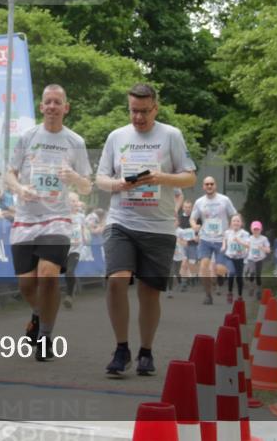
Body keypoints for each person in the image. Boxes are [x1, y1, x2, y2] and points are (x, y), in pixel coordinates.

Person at [95, 83, 197, 377]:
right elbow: (101, 177)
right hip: (121, 221)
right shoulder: (117, 137)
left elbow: (189, 177)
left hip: (159, 225)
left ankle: (146, 351)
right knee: (116, 281)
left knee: (149, 293)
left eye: (143, 111)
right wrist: (117, 184)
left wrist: (160, 177)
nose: (138, 118)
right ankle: (121, 348)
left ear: (156, 108)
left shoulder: (171, 135)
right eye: (133, 111)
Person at [6, 84, 92, 361]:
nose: (53, 106)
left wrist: (74, 179)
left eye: (58, 102)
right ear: (41, 107)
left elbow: (87, 186)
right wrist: (19, 189)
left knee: (48, 274)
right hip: (26, 217)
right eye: (48, 102)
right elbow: (9, 174)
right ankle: (37, 313)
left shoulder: (75, 141)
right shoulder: (28, 137)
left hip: (58, 218)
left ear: (66, 107)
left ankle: (44, 335)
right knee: (26, 285)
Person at [191, 177, 238, 305]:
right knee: (203, 268)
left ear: (215, 185)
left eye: (211, 184)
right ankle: (208, 295)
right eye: (207, 184)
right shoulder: (199, 202)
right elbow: (192, 218)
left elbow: (234, 214)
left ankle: (217, 279)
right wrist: (194, 226)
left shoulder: (224, 200)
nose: (209, 186)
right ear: (203, 186)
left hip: (221, 239)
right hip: (205, 239)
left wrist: (232, 228)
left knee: (219, 270)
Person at [63, 192, 90, 309]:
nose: (74, 203)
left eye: (76, 201)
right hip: (63, 249)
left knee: (70, 271)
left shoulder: (81, 216)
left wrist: (85, 237)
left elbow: (83, 228)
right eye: (72, 201)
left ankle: (69, 296)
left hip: (75, 249)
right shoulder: (63, 216)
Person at [221, 214, 250, 303]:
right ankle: (230, 293)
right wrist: (223, 246)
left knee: (239, 277)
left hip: (240, 258)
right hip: (229, 257)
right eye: (234, 221)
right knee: (231, 273)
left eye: (238, 221)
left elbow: (248, 245)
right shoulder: (227, 232)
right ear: (231, 223)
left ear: (241, 223)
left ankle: (240, 296)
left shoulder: (245, 233)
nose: (236, 223)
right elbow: (224, 240)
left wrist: (239, 241)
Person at [245, 220, 271, 294]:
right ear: (251, 229)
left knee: (258, 275)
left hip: (260, 259)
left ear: (261, 229)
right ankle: (251, 286)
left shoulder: (264, 239)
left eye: (258, 229)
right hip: (251, 259)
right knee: (252, 272)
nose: (256, 231)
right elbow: (245, 246)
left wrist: (262, 248)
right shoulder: (249, 238)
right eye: (254, 229)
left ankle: (259, 289)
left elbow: (268, 250)